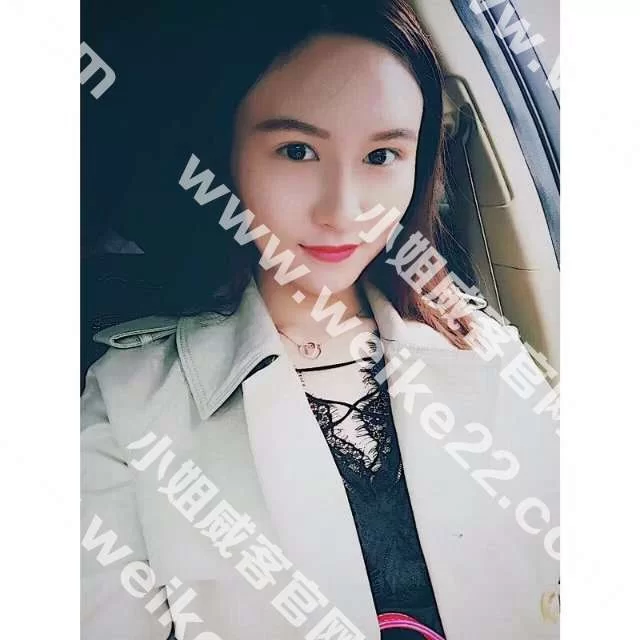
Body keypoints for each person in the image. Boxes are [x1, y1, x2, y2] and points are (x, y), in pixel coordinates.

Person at [80, 1, 559, 639]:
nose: (343, 209)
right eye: (298, 150)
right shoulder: (128, 403)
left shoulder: (486, 350)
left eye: (382, 156)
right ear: (230, 155)